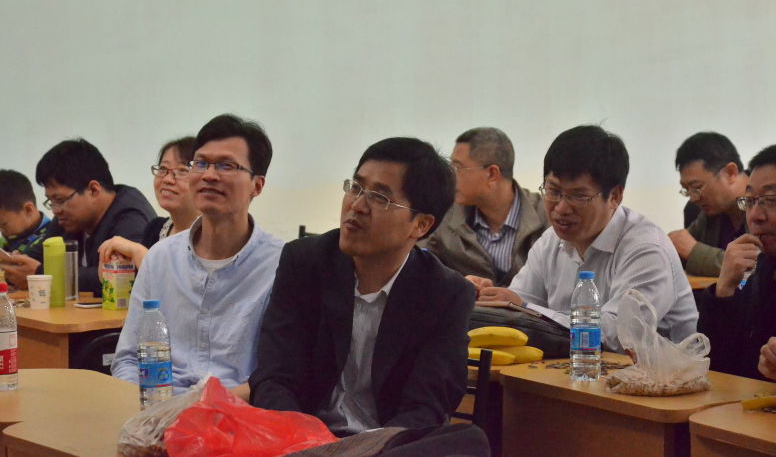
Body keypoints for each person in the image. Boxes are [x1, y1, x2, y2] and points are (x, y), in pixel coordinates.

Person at [249, 137, 475, 435]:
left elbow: (426, 408)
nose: (356, 206)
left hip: (388, 446)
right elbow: (275, 377)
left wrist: (369, 449)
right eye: (355, 188)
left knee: (470, 441)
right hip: (303, 440)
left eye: (379, 198)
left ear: (420, 225)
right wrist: (305, 443)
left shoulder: (445, 293)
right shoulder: (305, 262)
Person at [472, 125, 698, 353]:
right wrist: (486, 297)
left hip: (661, 373)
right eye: (553, 191)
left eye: (579, 196)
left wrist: (524, 307)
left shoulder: (646, 249)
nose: (561, 208)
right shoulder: (550, 241)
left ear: (615, 196)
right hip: (580, 368)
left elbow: (617, 336)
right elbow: (517, 307)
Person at [111, 114, 283, 394]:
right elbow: (129, 359)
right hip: (158, 405)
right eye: (200, 163)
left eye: (227, 165)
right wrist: (150, 407)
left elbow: (280, 375)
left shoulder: (280, 266)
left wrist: (201, 407)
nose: (209, 175)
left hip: (237, 411)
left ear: (257, 185)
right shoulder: (160, 258)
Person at [0, 139, 156, 295]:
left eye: (60, 200)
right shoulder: (68, 218)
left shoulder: (131, 218)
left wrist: (42, 274)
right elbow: (40, 255)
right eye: (51, 201)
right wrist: (17, 264)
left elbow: (121, 275)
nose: (55, 210)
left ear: (94, 190)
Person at [421, 127, 548, 287]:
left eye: (458, 168)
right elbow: (414, 262)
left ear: (492, 174)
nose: (451, 177)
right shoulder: (445, 216)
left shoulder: (548, 216)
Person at [697, 145, 776, 380]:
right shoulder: (762, 269)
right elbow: (718, 368)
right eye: (750, 201)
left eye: (771, 200)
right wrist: (724, 290)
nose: (755, 216)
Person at [98, 137, 200, 268]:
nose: (167, 179)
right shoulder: (155, 228)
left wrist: (138, 252)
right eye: (163, 169)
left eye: (182, 171)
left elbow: (178, 280)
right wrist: (119, 266)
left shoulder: (208, 236)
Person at [668, 132, 748, 277]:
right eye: (686, 190)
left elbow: (761, 267)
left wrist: (694, 251)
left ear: (730, 173)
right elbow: (680, 248)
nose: (693, 198)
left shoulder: (766, 203)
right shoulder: (710, 212)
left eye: (697, 187)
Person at [0, 170, 51, 287]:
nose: (0, 229)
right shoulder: (11, 237)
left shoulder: (51, 237)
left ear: (28, 210)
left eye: (3, 224)